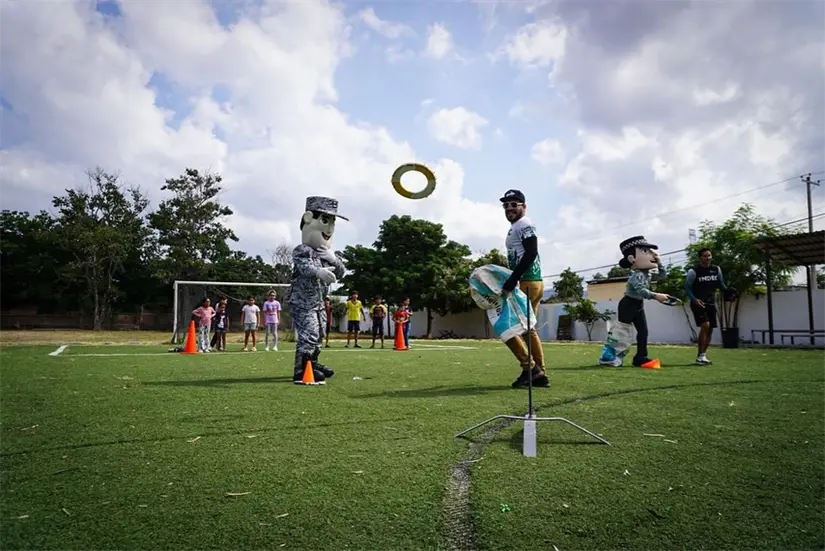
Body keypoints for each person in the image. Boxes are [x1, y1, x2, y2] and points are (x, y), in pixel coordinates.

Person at [286, 196, 347, 384]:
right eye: (325, 221)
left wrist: (333, 259)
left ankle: (312, 362)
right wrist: (318, 271)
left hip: (318, 302)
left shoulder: (325, 253)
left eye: (332, 223)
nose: (329, 229)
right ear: (308, 218)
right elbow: (304, 268)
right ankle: (301, 369)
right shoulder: (302, 249)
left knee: (320, 331)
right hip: (302, 300)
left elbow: (342, 272)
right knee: (309, 332)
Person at [499, 189, 549, 388]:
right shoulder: (517, 226)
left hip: (526, 282)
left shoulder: (524, 223)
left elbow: (531, 252)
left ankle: (530, 367)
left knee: (506, 328)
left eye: (514, 204)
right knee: (528, 330)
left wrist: (513, 279)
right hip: (532, 281)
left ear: (523, 207)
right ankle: (540, 373)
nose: (509, 208)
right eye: (506, 205)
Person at [612, 235, 669, 367]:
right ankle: (613, 357)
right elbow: (641, 291)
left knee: (643, 332)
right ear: (632, 258)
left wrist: (659, 263)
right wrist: (656, 296)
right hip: (628, 304)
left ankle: (640, 357)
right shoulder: (636, 275)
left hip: (638, 305)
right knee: (623, 333)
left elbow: (662, 276)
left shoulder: (646, 274)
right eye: (645, 251)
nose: (652, 255)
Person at [685, 248, 731, 365]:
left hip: (711, 302)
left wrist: (727, 292)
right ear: (700, 258)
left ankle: (702, 356)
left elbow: (720, 284)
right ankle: (699, 357)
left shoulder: (716, 269)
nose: (707, 258)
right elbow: (687, 287)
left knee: (710, 329)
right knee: (705, 325)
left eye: (709, 255)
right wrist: (694, 300)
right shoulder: (693, 271)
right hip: (698, 303)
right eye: (705, 256)